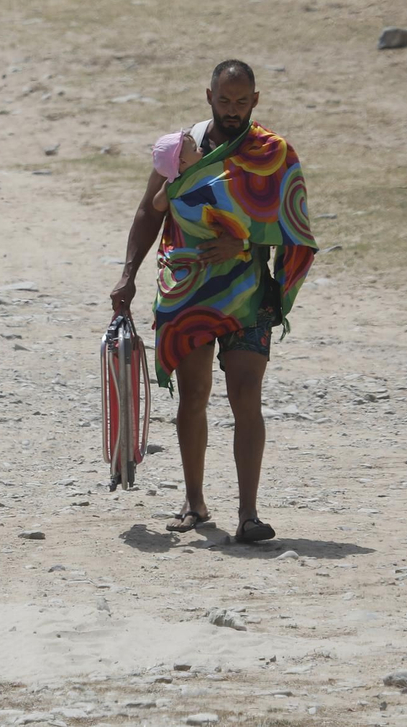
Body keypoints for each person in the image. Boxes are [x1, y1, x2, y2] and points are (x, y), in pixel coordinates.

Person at [112, 60, 318, 543]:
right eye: (224, 101)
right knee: (194, 395)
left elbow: (290, 224)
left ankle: (248, 514)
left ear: (256, 100)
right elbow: (150, 210)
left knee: (247, 396)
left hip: (247, 291)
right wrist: (128, 275)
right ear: (208, 96)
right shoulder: (177, 149)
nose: (233, 110)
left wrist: (243, 245)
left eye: (242, 102)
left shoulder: (272, 154)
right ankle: (195, 501)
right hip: (189, 289)